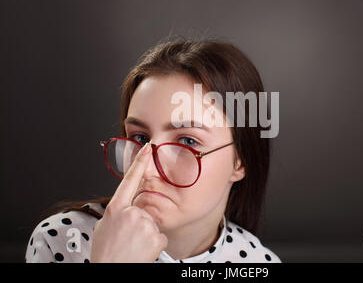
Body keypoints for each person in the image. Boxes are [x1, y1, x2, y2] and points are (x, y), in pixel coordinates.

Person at [25, 37, 281, 263]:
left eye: (188, 142)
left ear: (240, 161)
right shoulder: (61, 242)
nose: (146, 166)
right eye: (139, 136)